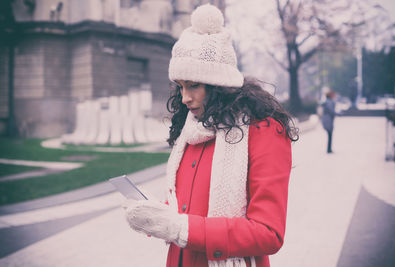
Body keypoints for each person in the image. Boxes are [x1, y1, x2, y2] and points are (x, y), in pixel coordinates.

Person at [122, 4, 298, 267]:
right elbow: (185, 211)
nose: (185, 98)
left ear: (219, 85)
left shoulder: (264, 129)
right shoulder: (190, 130)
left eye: (193, 85)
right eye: (180, 86)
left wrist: (180, 228)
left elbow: (269, 233)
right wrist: (155, 213)